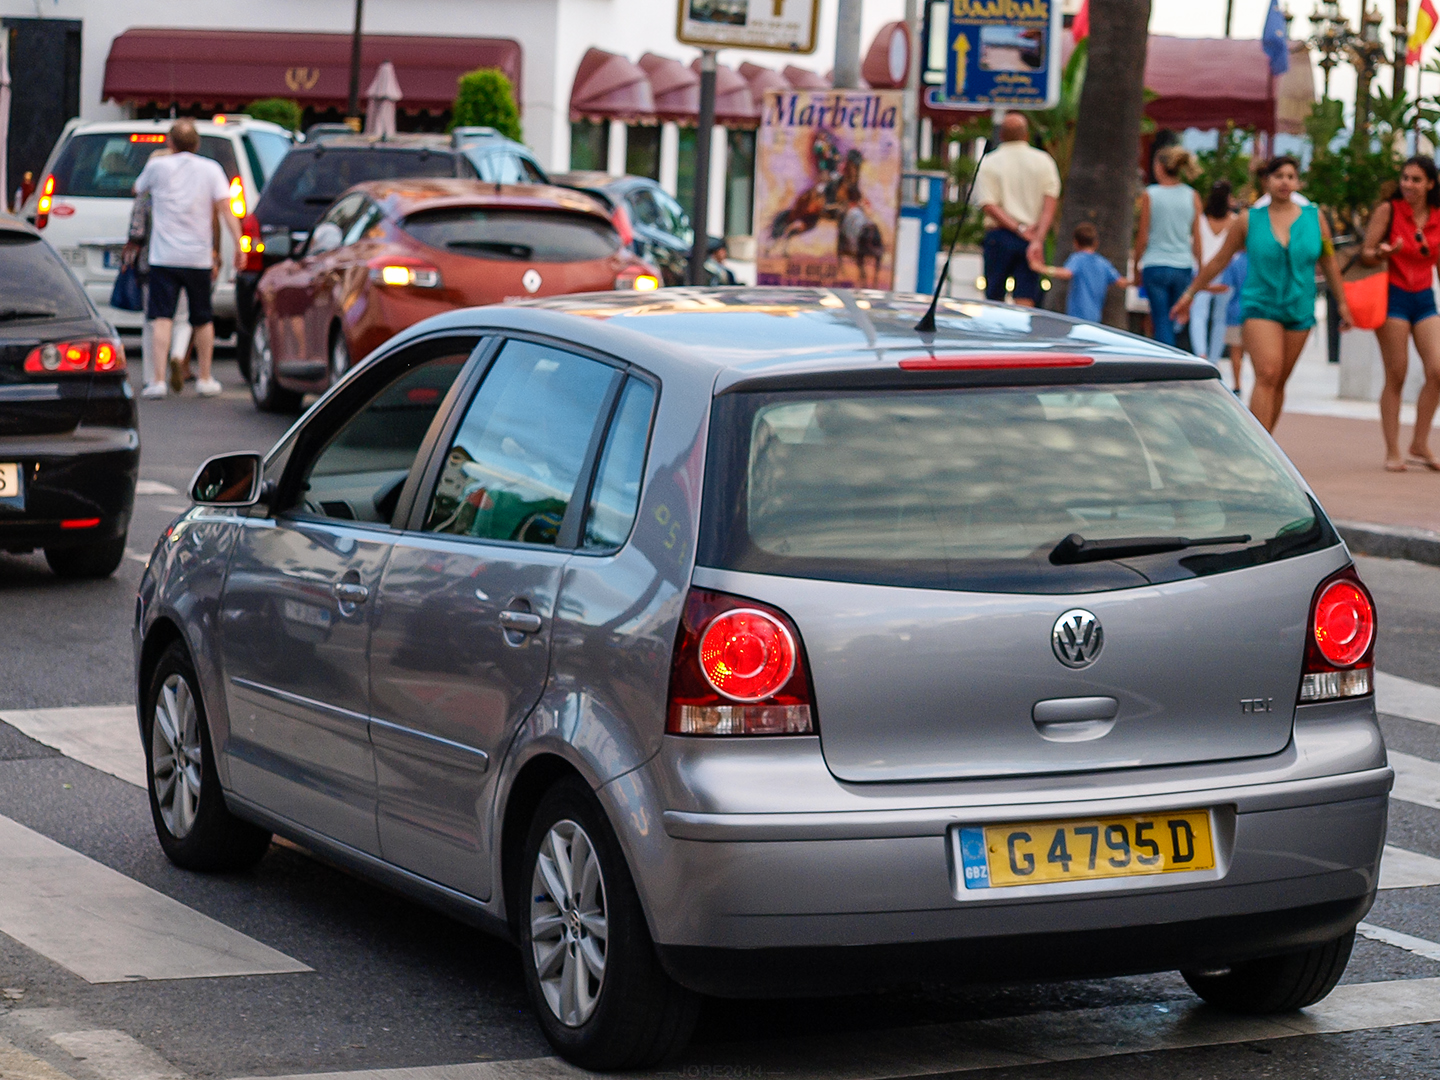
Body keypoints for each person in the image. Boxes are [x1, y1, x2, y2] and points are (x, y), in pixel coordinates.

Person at [1172, 155, 1353, 432]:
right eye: (1278, 175)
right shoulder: (1248, 220)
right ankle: (1257, 454)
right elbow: (1220, 259)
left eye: (1290, 176)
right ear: (1266, 180)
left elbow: (1328, 261)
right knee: (1267, 373)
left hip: (1299, 307)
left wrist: (1342, 303)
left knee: (1279, 380)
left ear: (1298, 182)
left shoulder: (1314, 217)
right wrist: (1190, 294)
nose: (1284, 181)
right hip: (1260, 306)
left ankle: (1267, 444)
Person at [132, 118, 242, 399]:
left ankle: (157, 381)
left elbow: (137, 189)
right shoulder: (211, 169)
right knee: (202, 318)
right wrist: (240, 244)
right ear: (196, 143)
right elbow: (226, 210)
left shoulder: (157, 167)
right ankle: (205, 377)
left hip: (163, 256)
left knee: (161, 318)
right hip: (198, 256)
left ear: (170, 142)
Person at [1359, 154, 1440, 471]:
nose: (1408, 184)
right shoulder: (1388, 210)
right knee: (1397, 373)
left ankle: (1420, 442)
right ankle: (1392, 449)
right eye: (1405, 178)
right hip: (1391, 295)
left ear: (1430, 184)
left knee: (1437, 370)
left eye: (1416, 179)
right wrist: (1380, 251)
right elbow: (1365, 252)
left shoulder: (1436, 216)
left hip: (1424, 298)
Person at [972, 111, 1061, 307]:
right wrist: (1037, 237)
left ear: (1001, 135)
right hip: (1033, 236)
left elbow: (989, 204)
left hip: (1000, 235)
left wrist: (1017, 228)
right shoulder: (1043, 161)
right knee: (1026, 294)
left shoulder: (990, 162)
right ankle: (1022, 335)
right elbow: (1050, 202)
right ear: (1026, 134)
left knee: (994, 295)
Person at [1134, 145, 1203, 348]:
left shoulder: (1151, 194)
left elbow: (1143, 235)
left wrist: (1136, 264)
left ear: (1160, 167)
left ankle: (1168, 359)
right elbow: (1196, 237)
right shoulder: (1192, 196)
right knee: (1176, 318)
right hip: (1182, 265)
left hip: (1155, 264)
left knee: (1160, 319)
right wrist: (1201, 266)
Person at [1030, 222, 1131, 323]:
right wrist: (1137, 280)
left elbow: (1066, 273)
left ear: (1075, 243)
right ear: (1096, 243)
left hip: (1077, 315)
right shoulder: (1103, 263)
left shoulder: (1078, 259)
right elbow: (1121, 282)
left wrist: (1042, 268)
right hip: (1095, 316)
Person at [1190, 180, 1237, 364]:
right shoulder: (1234, 221)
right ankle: (1214, 358)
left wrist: (1202, 270)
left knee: (1199, 314)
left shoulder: (1200, 220)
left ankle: (1200, 354)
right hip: (1226, 273)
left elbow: (1196, 246)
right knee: (1220, 318)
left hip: (1202, 271)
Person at [1218, 248, 1249, 393]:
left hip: (1236, 309)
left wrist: (1203, 287)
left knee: (1235, 351)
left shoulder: (1235, 262)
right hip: (1257, 310)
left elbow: (1224, 286)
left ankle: (1237, 384)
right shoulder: (1259, 260)